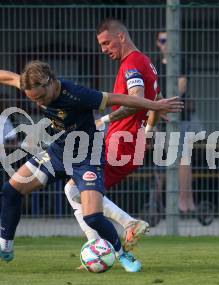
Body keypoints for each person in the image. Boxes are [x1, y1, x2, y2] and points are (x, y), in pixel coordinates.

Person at [0, 60, 183, 272]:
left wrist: (155, 105)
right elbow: (8, 77)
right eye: (33, 100)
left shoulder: (78, 94)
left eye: (40, 97)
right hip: (59, 152)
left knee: (93, 217)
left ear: (49, 82)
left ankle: (123, 255)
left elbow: (121, 98)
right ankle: (4, 247)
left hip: (87, 156)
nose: (39, 103)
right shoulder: (32, 85)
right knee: (11, 189)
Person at [63, 18, 165, 254]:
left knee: (75, 190)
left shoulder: (131, 65)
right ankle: (98, 244)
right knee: (83, 193)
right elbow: (156, 104)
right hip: (131, 143)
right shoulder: (147, 63)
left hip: (122, 143)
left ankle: (122, 228)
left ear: (121, 37)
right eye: (101, 45)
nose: (104, 50)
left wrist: (104, 119)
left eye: (107, 43)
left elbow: (136, 98)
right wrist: (147, 132)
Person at [155, 31, 203, 215]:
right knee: (168, 159)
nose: (166, 43)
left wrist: (167, 105)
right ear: (158, 43)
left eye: (169, 40)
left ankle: (184, 202)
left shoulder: (180, 60)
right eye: (162, 40)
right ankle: (179, 202)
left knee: (183, 158)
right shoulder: (156, 64)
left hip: (178, 117)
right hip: (163, 117)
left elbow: (181, 86)